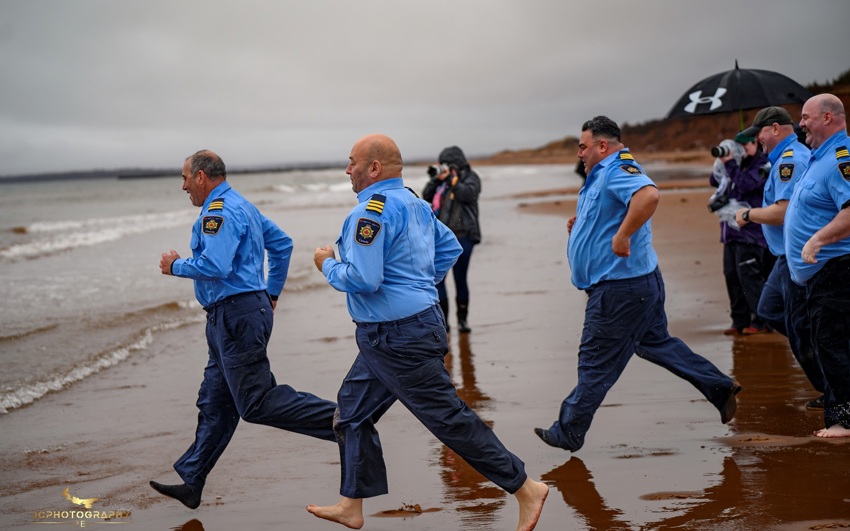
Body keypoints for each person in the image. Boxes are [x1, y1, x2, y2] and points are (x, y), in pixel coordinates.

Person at [308, 134, 548, 530]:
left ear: (374, 168)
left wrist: (326, 264)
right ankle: (351, 505)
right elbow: (450, 249)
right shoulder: (417, 204)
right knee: (350, 414)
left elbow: (364, 280)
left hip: (396, 337)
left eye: (352, 163)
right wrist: (419, 286)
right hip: (404, 329)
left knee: (448, 420)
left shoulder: (371, 211)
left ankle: (525, 488)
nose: (346, 170)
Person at [534, 116, 741, 452]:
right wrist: (583, 227)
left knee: (595, 360)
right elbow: (612, 210)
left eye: (582, 146)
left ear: (602, 145)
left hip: (620, 290)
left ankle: (568, 430)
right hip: (637, 285)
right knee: (656, 343)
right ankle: (717, 386)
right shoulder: (601, 172)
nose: (578, 153)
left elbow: (648, 197)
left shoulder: (617, 169)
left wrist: (622, 234)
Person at [152, 150, 337, 508]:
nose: (184, 186)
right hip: (237, 313)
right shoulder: (244, 206)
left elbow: (215, 265)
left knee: (255, 402)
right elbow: (282, 244)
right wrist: (272, 293)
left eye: (186, 178)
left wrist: (175, 266)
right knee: (215, 402)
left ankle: (344, 420)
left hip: (236, 316)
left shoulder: (219, 211)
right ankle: (192, 480)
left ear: (202, 177)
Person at [734, 107, 824, 409]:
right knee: (770, 310)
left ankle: (832, 388)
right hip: (785, 255)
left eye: (759, 132)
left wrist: (748, 215)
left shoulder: (790, 161)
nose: (757, 139)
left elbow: (783, 211)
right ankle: (825, 357)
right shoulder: (783, 159)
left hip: (796, 254)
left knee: (799, 326)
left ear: (774, 129)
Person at [785, 93, 850, 438]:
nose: (801, 124)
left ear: (827, 118)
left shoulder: (842, 157)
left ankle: (845, 421)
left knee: (832, 342)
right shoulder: (816, 157)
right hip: (816, 274)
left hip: (837, 268)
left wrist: (817, 240)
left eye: (806, 117)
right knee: (824, 341)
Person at [710, 131, 775, 335]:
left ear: (756, 141)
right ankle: (739, 321)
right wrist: (723, 162)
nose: (743, 149)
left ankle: (761, 321)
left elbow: (747, 185)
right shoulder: (739, 162)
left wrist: (730, 163)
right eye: (739, 145)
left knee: (750, 276)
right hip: (731, 231)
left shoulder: (763, 164)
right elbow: (714, 181)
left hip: (752, 232)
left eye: (746, 144)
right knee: (732, 275)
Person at [421, 146, 481, 333]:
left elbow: (469, 194)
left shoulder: (470, 177)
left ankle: (462, 321)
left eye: (445, 163)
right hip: (441, 239)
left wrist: (450, 179)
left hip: (464, 236)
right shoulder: (443, 181)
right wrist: (436, 180)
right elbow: (426, 196)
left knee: (460, 279)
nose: (442, 167)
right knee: (438, 280)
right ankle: (443, 322)